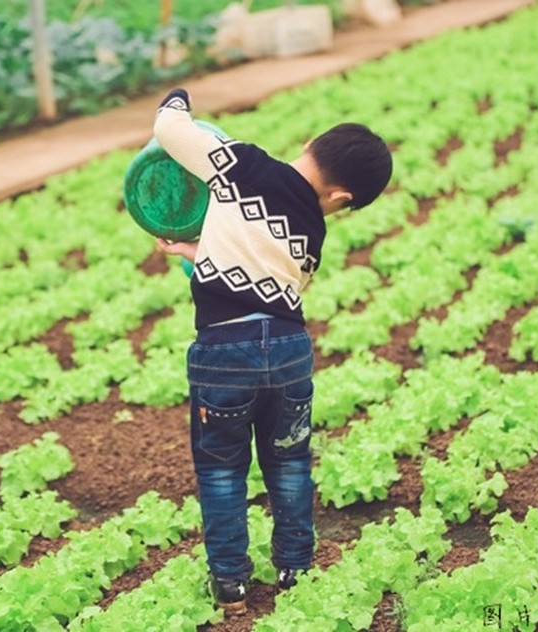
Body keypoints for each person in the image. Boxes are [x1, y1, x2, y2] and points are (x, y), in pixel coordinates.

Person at [152, 87, 392, 614]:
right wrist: (197, 250)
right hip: (287, 351)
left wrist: (176, 99)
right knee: (289, 464)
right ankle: (294, 570)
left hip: (224, 349)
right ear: (341, 199)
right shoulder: (313, 232)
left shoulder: (240, 164)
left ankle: (230, 584)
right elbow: (267, 283)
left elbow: (169, 132)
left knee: (221, 469)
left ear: (308, 145)